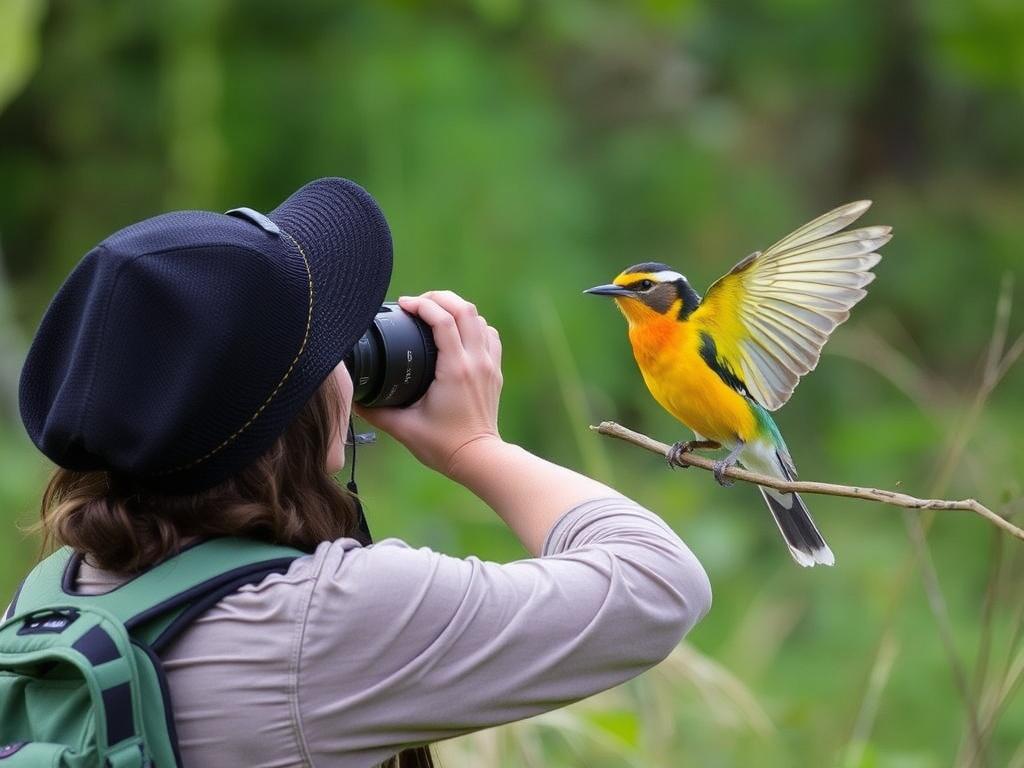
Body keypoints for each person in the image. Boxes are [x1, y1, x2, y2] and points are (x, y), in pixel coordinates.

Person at [11, 177, 712, 767]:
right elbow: (657, 583)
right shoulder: (329, 620)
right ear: (298, 415)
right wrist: (474, 446)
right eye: (327, 351)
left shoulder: (54, 592)